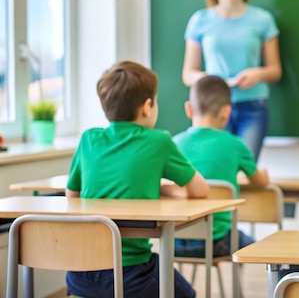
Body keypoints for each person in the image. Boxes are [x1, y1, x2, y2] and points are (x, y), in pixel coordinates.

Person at [65, 60, 209, 298]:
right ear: (147, 106)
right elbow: (200, 190)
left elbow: (73, 195)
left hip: (80, 274)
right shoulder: (159, 141)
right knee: (188, 295)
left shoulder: (89, 139)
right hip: (131, 276)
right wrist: (166, 189)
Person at [181, 0, 282, 160]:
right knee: (214, 166)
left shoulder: (262, 20)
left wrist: (258, 73)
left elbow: (275, 70)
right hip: (211, 106)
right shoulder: (200, 21)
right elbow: (188, 74)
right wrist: (211, 80)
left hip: (252, 107)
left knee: (244, 169)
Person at [173, 75, 270, 258]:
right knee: (258, 249)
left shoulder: (173, 144)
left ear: (189, 108)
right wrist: (264, 174)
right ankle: (238, 288)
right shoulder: (235, 145)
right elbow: (260, 182)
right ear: (227, 112)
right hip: (217, 242)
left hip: (174, 240)